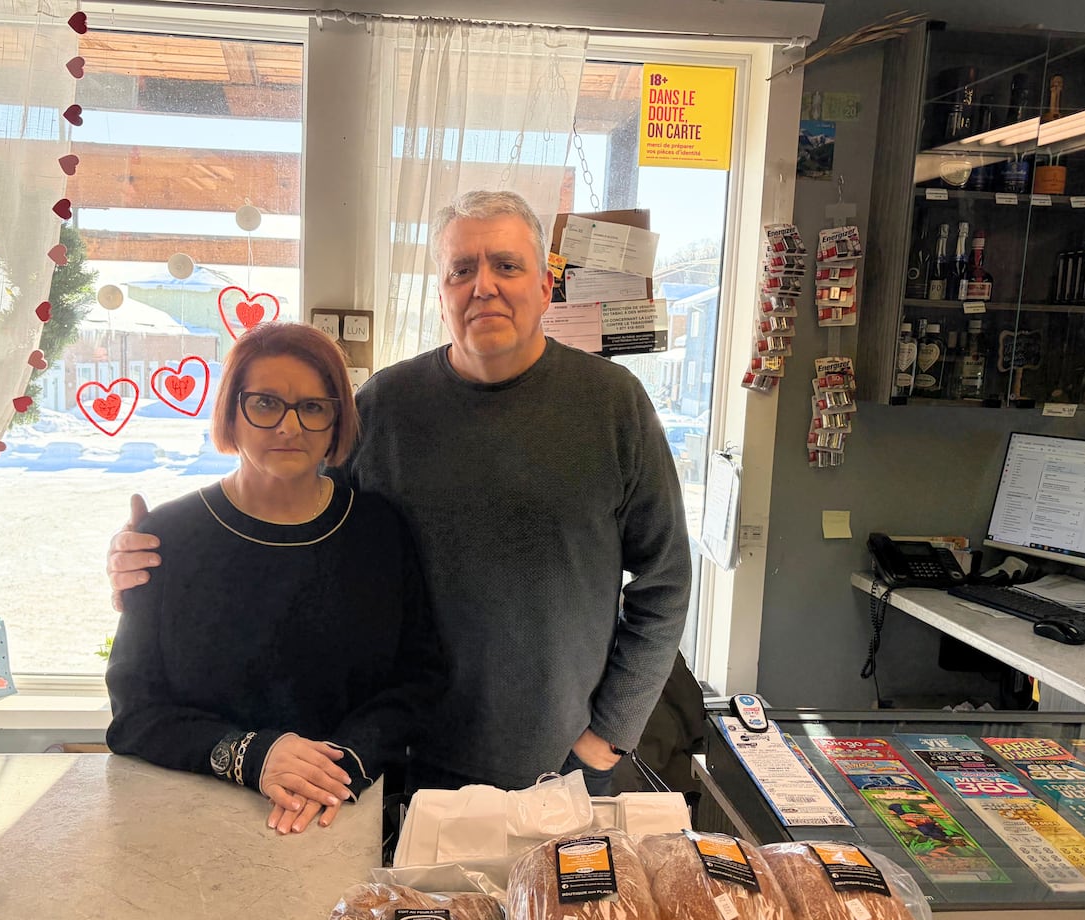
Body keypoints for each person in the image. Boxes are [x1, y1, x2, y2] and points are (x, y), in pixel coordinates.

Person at [109, 190, 697, 797]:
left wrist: (612, 730)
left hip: (563, 766)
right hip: (400, 766)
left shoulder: (612, 405)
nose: (483, 285)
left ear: (545, 287)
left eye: (506, 265)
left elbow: (666, 576)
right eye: (461, 270)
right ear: (441, 294)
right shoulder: (385, 408)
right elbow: (295, 529)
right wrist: (158, 563)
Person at [104, 321, 443, 835]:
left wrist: (345, 760)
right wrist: (252, 756)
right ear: (231, 414)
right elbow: (135, 714)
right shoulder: (166, 538)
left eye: (312, 407)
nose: (290, 427)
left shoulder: (380, 532)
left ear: (336, 420)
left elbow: (419, 679)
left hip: (338, 816)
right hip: (195, 817)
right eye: (265, 404)